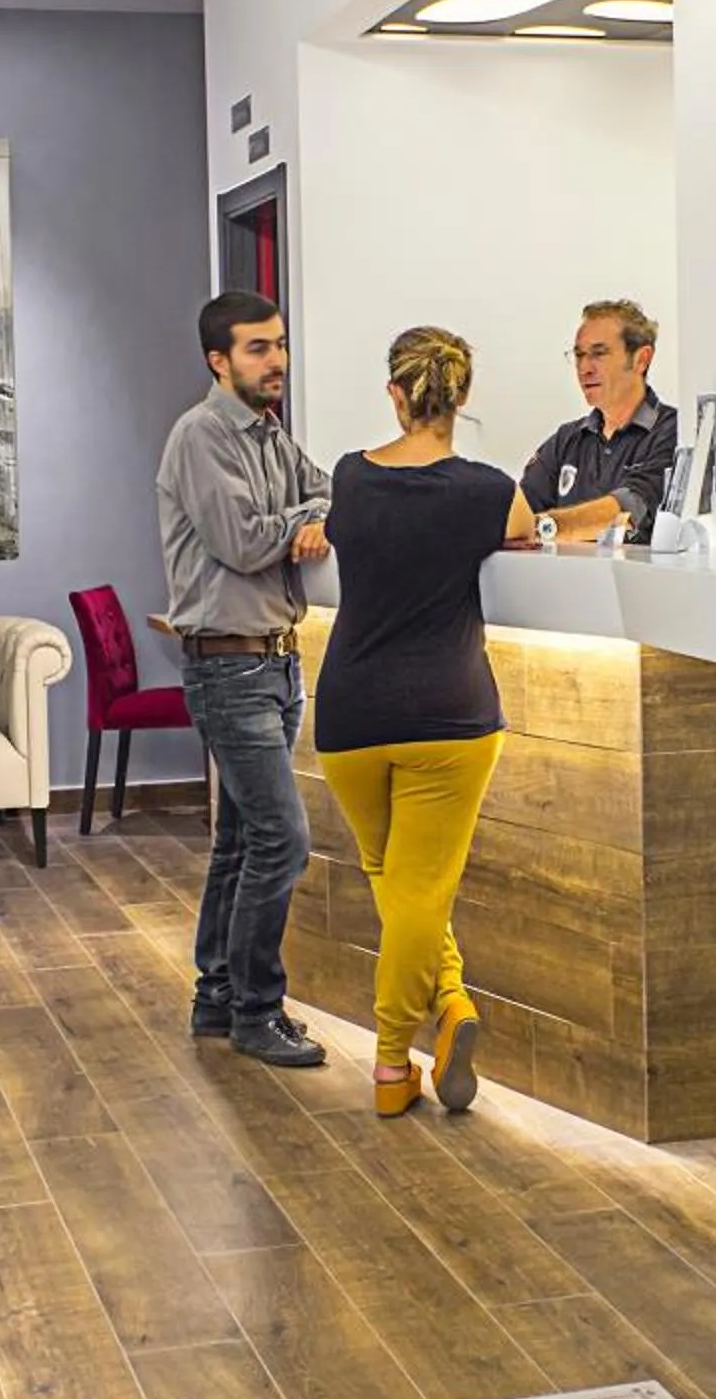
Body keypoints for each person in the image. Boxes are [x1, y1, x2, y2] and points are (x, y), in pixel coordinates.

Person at [314, 327, 535, 1116]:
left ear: (395, 394)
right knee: (418, 893)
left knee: (396, 884)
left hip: (349, 715)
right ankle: (386, 1064)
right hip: (449, 716)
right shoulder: (487, 489)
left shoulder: (350, 477)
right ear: (462, 398)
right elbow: (526, 529)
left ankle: (451, 1010)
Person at [156, 291, 331, 1069]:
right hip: (228, 666)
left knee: (240, 841)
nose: (278, 361)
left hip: (277, 661)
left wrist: (307, 515)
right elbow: (242, 542)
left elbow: (332, 491)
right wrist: (300, 524)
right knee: (283, 841)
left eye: (280, 344)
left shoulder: (269, 434)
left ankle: (217, 1001)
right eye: (259, 348)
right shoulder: (201, 437)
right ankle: (259, 1011)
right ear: (217, 361)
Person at [519, 298, 680, 547]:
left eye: (599, 354)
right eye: (579, 355)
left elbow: (625, 514)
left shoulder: (671, 431)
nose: (584, 368)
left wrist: (543, 527)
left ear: (642, 359)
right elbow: (521, 510)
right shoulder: (566, 439)